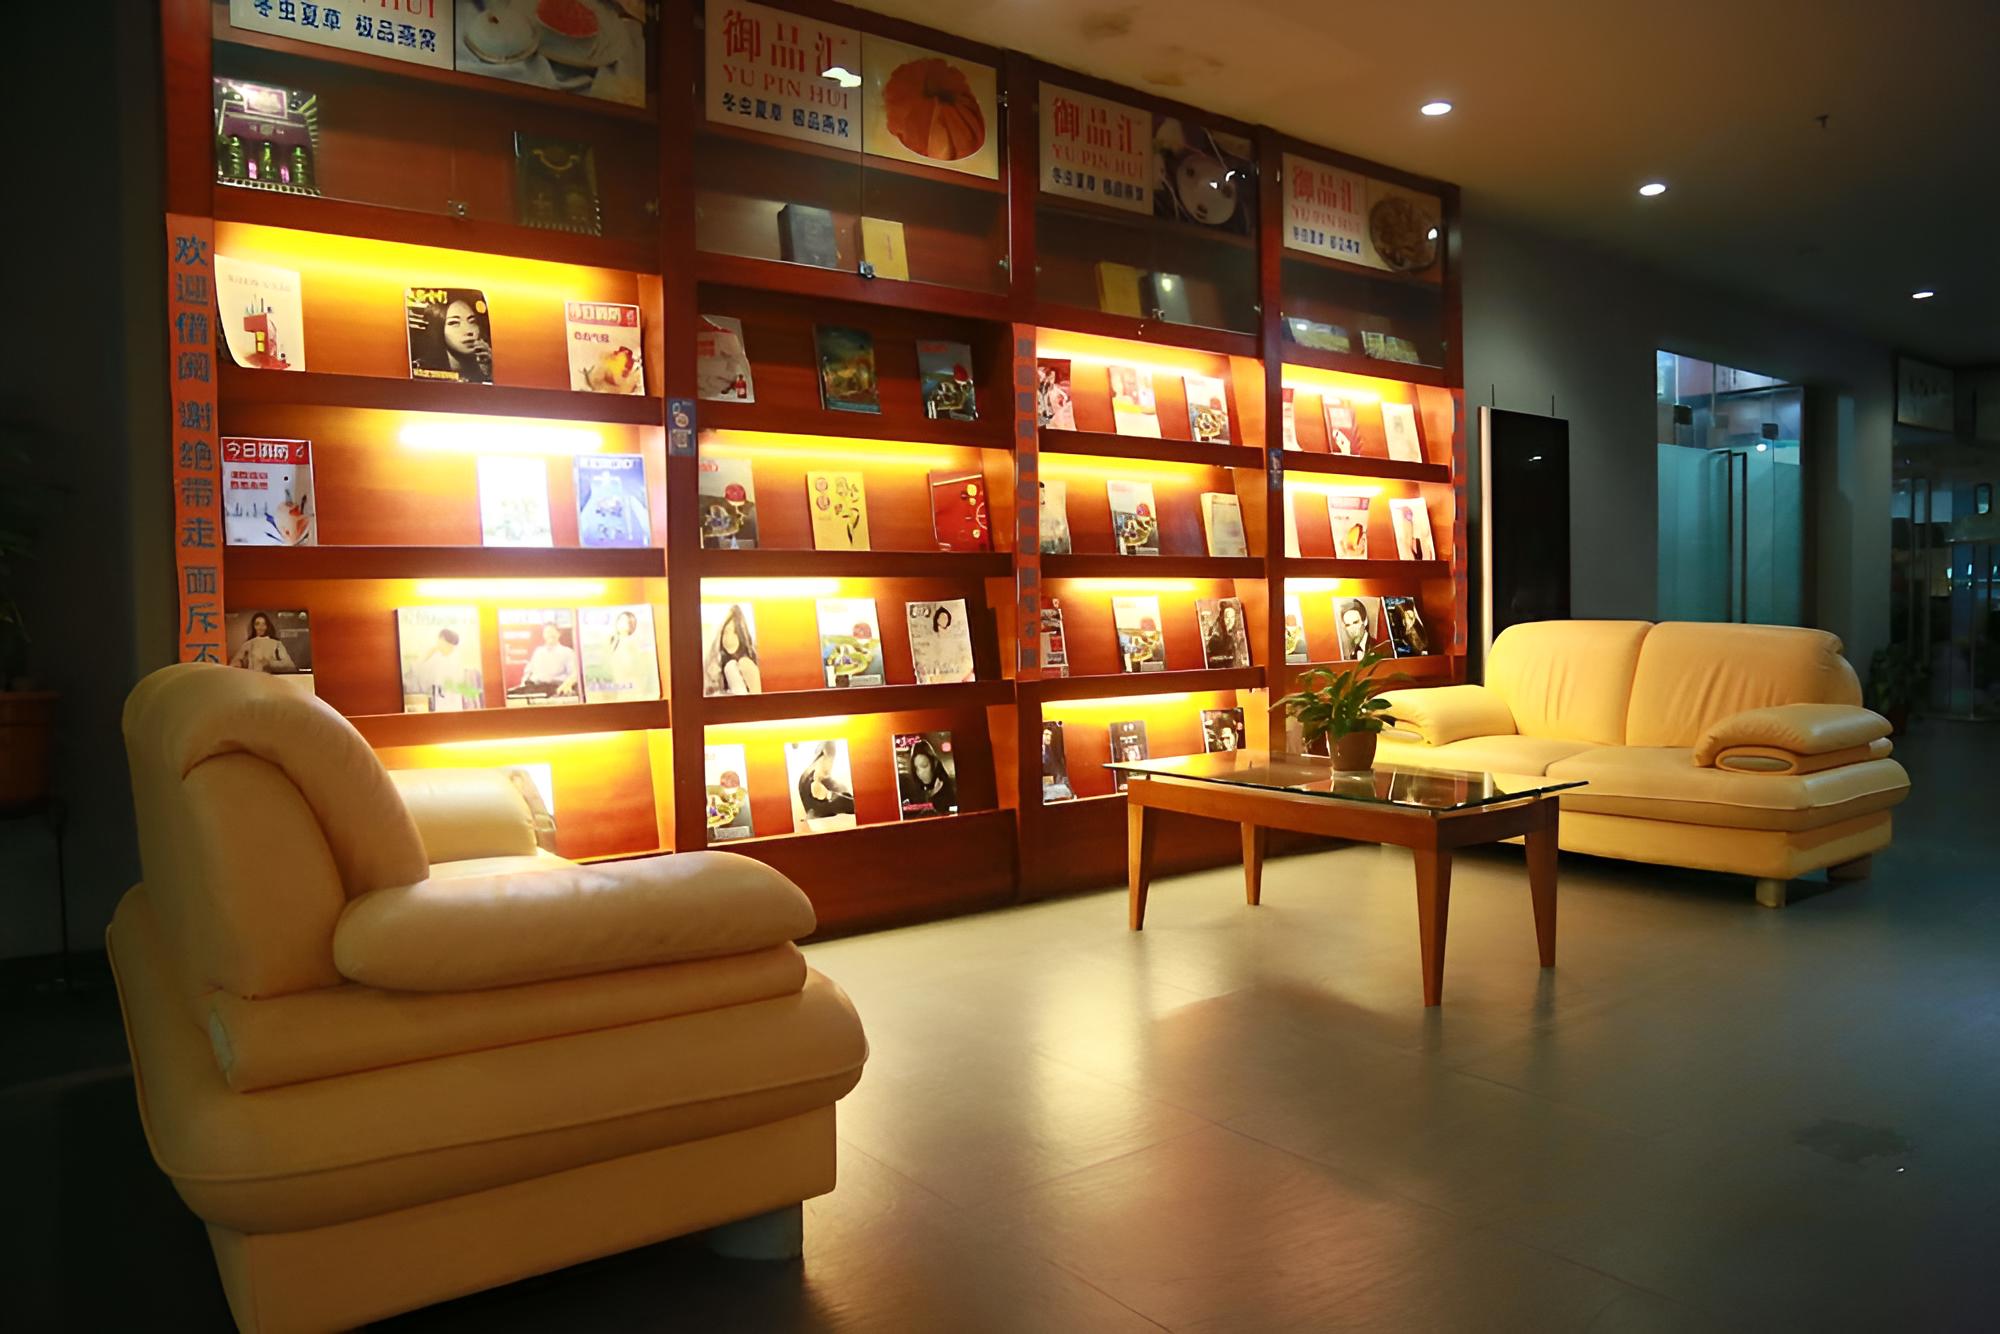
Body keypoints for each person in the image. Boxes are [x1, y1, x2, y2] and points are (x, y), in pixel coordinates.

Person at [410, 290, 493, 383]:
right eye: (454, 323)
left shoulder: (486, 366)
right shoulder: (420, 370)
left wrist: (489, 370)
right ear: (439, 329)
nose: (469, 331)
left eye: (472, 322)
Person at [410, 626, 483, 712]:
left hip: (452, 700)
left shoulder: (456, 658)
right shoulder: (436, 657)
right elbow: (417, 670)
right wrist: (430, 652)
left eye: (441, 641)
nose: (439, 643)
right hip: (440, 700)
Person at [703, 603, 761, 695]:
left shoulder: (747, 665)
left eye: (735, 632)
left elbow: (758, 697)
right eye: (726, 632)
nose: (729, 638)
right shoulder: (717, 665)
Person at [794, 741, 855, 825]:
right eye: (830, 760)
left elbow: (854, 806)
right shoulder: (805, 780)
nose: (830, 766)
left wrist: (828, 794)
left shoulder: (836, 785)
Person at [516, 621, 579, 699]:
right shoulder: (538, 651)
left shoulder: (567, 652)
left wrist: (565, 685)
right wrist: (523, 685)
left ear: (559, 634)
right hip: (535, 688)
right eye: (547, 632)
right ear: (543, 635)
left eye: (552, 632)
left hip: (556, 689)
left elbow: (574, 674)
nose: (550, 635)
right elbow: (528, 672)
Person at [897, 737, 957, 818]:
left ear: (934, 763)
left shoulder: (950, 789)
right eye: (917, 768)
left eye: (924, 766)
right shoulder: (915, 792)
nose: (920, 773)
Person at [230, 612, 295, 674]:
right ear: (253, 626)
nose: (261, 627)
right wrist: (240, 663)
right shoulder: (248, 643)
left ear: (267, 626)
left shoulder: (276, 643)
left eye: (264, 624)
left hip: (270, 678)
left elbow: (289, 664)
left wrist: (270, 663)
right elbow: (235, 662)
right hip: (252, 677)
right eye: (257, 624)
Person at [1205, 600, 1249, 668]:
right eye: (1227, 617)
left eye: (1232, 617)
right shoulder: (1215, 639)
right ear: (1222, 618)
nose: (1230, 621)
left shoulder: (1237, 634)